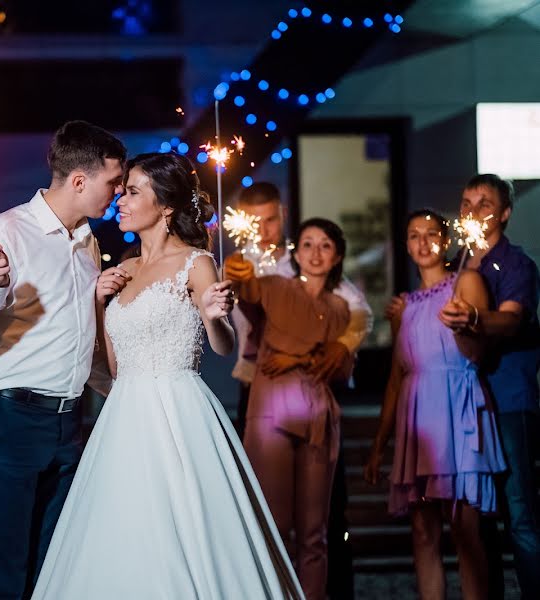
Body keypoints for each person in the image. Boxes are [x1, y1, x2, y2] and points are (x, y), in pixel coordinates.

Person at [32, 153, 303, 598]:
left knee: (187, 529)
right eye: (123, 190)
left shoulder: (196, 262)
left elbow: (222, 345)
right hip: (123, 418)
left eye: (133, 190)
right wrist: (98, 305)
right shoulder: (120, 269)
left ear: (166, 206)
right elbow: (118, 370)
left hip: (179, 413)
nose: (120, 199)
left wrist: (217, 316)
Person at [0, 120, 127, 599]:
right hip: (10, 417)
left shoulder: (89, 241)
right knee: (6, 565)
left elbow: (78, 340)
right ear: (80, 180)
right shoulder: (6, 232)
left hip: (68, 423)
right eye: (114, 182)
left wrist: (122, 393)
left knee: (55, 564)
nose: (119, 192)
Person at [388, 175, 540, 598]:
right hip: (457, 403)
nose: (473, 209)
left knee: (520, 516)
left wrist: (473, 319)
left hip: (506, 397)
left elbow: (511, 319)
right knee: (477, 523)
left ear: (505, 213)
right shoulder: (457, 265)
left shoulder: (516, 265)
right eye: (466, 201)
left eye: (485, 203)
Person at [226, 183, 372, 600]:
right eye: (254, 222)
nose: (264, 229)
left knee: (326, 506)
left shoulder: (304, 262)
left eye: (270, 219)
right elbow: (244, 301)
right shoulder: (239, 266)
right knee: (264, 504)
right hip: (256, 388)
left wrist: (342, 344)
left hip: (312, 388)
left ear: (283, 215)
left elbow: (358, 311)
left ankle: (332, 591)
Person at [366, 209, 506, 599]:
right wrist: (380, 443)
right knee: (423, 530)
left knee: (464, 528)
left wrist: (465, 326)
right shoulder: (403, 307)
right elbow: (397, 376)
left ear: (446, 242)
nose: (423, 242)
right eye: (414, 235)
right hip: (418, 416)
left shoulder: (467, 282)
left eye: (431, 234)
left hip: (456, 407)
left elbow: (478, 353)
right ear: (407, 245)